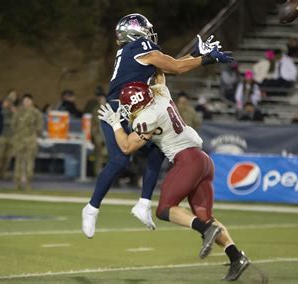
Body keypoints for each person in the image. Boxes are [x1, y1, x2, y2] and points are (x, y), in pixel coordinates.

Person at [81, 13, 233, 239]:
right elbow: (174, 67)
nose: (151, 33)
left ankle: (143, 204)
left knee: (158, 147)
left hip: (135, 107)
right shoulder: (139, 46)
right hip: (118, 109)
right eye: (146, 29)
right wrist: (206, 59)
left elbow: (172, 66)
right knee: (120, 159)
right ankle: (92, 208)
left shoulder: (135, 52)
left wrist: (197, 54)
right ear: (135, 32)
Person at [98, 74, 249, 281]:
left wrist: (115, 123)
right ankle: (236, 257)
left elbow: (126, 147)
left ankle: (206, 230)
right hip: (204, 160)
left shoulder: (146, 118)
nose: (126, 110)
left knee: (165, 209)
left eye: (127, 106)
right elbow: (160, 75)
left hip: (187, 160)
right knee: (205, 215)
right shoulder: (161, 93)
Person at [12, 93, 44, 190]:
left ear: (31, 101)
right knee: (18, 162)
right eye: (25, 101)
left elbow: (40, 127)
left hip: (30, 140)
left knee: (30, 163)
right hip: (19, 140)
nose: (26, 102)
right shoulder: (18, 112)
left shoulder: (36, 113)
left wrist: (35, 135)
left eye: (28, 100)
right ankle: (17, 183)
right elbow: (14, 125)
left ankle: (28, 183)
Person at [0, 90, 18, 180]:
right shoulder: (1, 108)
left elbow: (19, 122)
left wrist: (15, 112)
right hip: (2, 135)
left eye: (14, 96)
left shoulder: (16, 109)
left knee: (8, 157)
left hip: (11, 136)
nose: (12, 98)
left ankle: (3, 173)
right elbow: (0, 120)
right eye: (11, 96)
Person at [90, 90, 108, 176]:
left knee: (109, 157)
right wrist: (96, 138)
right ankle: (98, 174)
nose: (100, 99)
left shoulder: (109, 108)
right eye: (99, 98)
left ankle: (108, 175)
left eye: (102, 98)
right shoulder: (96, 109)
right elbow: (94, 125)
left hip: (108, 136)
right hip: (99, 136)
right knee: (99, 157)